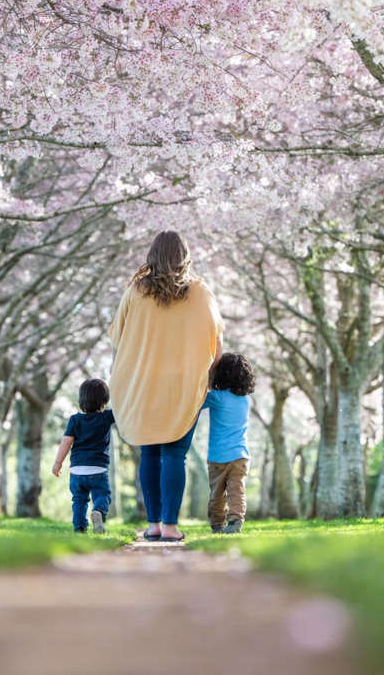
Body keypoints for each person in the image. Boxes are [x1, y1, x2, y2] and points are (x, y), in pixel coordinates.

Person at [109, 231, 224, 542]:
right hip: (184, 385)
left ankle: (154, 526)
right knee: (175, 454)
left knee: (150, 452)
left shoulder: (136, 291)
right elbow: (216, 343)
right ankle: (171, 527)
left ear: (153, 255)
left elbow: (117, 337)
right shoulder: (201, 292)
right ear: (184, 255)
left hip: (144, 382)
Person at [52, 378, 114, 533]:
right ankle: (98, 512)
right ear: (104, 401)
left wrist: (58, 463)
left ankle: (79, 527)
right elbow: (123, 408)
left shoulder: (75, 420)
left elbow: (66, 442)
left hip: (77, 470)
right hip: (98, 469)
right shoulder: (107, 417)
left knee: (79, 500)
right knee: (103, 496)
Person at [203, 353, 255, 534]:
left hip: (218, 456)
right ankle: (235, 521)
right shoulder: (246, 400)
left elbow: (197, 401)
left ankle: (217, 525)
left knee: (217, 494)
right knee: (237, 490)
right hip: (240, 455)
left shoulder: (217, 397)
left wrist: (208, 378)